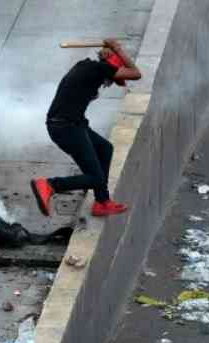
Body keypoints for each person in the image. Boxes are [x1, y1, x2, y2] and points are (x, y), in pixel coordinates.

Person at [30, 38, 141, 218]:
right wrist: (118, 49)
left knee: (105, 149)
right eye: (114, 79)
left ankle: (102, 202)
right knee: (95, 177)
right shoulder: (100, 69)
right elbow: (135, 73)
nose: (111, 84)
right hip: (66, 128)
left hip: (72, 124)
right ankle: (50, 185)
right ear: (112, 66)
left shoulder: (88, 67)